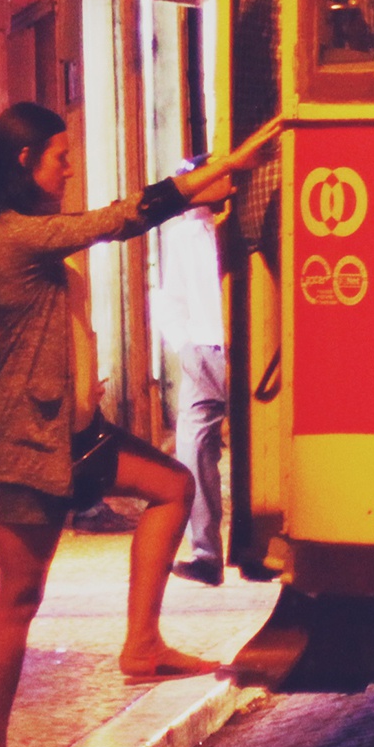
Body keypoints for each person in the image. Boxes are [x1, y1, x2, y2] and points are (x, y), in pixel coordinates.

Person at [0, 105, 258, 747]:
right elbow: (111, 223)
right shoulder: (14, 237)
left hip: (71, 430)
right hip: (26, 438)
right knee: (18, 595)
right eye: (59, 155)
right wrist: (188, 187)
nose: (68, 165)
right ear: (24, 161)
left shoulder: (25, 233)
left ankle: (143, 644)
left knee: (173, 487)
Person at [157, 211, 229, 586]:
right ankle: (206, 555)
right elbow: (172, 296)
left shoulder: (236, 223)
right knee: (193, 449)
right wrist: (183, 345)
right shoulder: (183, 235)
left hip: (248, 347)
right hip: (201, 350)